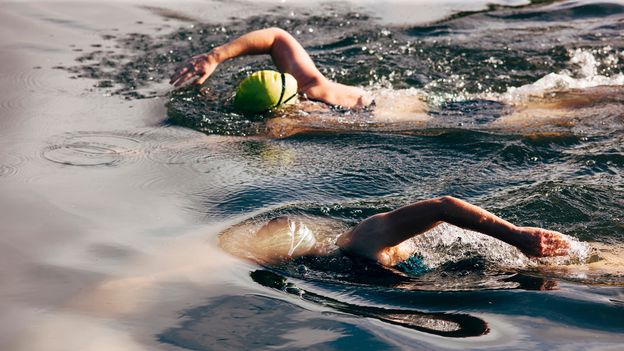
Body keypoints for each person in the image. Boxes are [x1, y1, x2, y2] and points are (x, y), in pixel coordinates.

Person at [224, 196, 570, 268]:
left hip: (495, 250)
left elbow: (444, 206)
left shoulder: (360, 240)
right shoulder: (329, 259)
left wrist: (518, 236)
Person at [170, 27, 373, 108]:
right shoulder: (309, 84)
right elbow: (276, 36)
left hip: (382, 113)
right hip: (377, 100)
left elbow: (276, 37)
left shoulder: (312, 93)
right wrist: (213, 57)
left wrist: (216, 56)